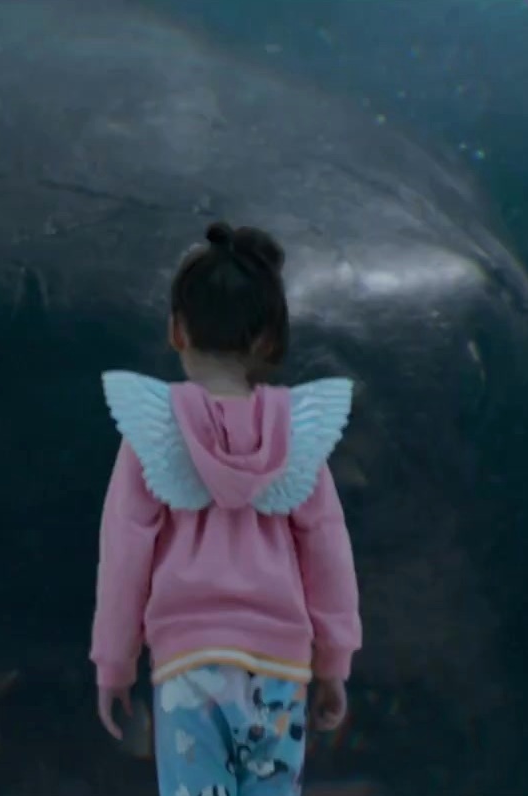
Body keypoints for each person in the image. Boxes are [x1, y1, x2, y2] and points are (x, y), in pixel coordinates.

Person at [90, 220, 362, 796]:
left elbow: (124, 550)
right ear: (266, 338)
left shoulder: (153, 434)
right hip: (281, 666)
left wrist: (114, 663)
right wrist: (334, 661)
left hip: (189, 665)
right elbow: (327, 546)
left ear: (176, 329)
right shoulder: (297, 436)